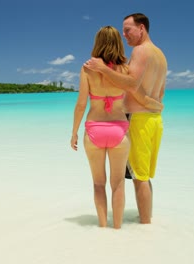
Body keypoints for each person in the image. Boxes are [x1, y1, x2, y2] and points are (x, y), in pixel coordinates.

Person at [71, 26, 162, 229]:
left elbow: (80, 104)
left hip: (94, 128)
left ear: (98, 42)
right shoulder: (125, 69)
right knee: (118, 183)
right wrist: (153, 105)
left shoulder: (87, 68)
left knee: (98, 183)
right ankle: (118, 228)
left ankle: (103, 227)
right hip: (119, 131)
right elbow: (136, 91)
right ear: (118, 44)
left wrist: (74, 132)